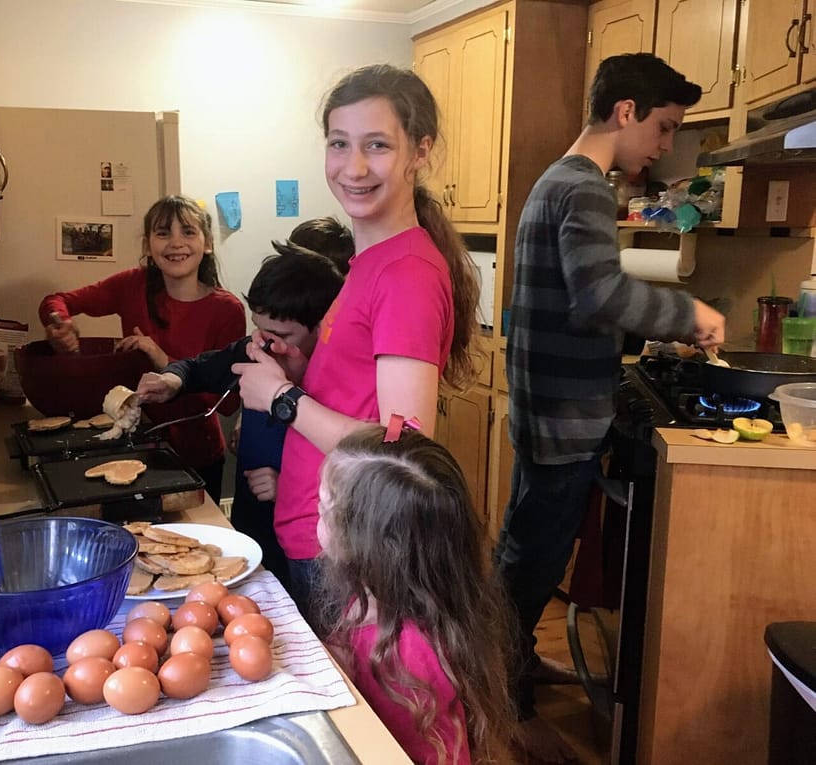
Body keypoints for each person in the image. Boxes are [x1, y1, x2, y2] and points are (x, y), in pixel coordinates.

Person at [498, 52, 726, 763]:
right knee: (532, 559)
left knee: (523, 550)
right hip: (565, 414)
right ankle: (499, 694)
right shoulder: (586, 189)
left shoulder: (552, 181)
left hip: (543, 406)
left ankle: (504, 668)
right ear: (624, 111)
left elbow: (578, 296)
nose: (663, 146)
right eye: (662, 128)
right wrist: (688, 311)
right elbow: (600, 296)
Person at [233, 63, 480, 615]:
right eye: (339, 144)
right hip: (322, 536)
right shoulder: (368, 264)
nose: (355, 167)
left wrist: (282, 399)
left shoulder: (407, 275)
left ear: (420, 150)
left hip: (346, 548)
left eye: (377, 145)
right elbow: (365, 396)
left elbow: (401, 446)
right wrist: (299, 373)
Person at [136, 235, 348, 592]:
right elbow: (202, 366)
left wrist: (289, 486)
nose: (265, 343)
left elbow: (355, 468)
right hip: (252, 523)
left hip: (306, 542)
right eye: (259, 328)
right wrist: (173, 380)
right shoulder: (256, 349)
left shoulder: (333, 383)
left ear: (323, 327)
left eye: (281, 334)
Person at [314, 423, 515, 765]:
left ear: (365, 542)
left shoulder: (410, 655)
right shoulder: (375, 597)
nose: (315, 513)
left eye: (322, 508)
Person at [38, 194, 246, 503]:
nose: (176, 243)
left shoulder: (227, 310)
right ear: (148, 246)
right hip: (133, 445)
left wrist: (165, 361)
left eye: (188, 232)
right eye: (163, 233)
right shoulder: (131, 286)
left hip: (197, 455)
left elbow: (228, 404)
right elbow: (57, 301)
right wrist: (60, 324)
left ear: (207, 243)